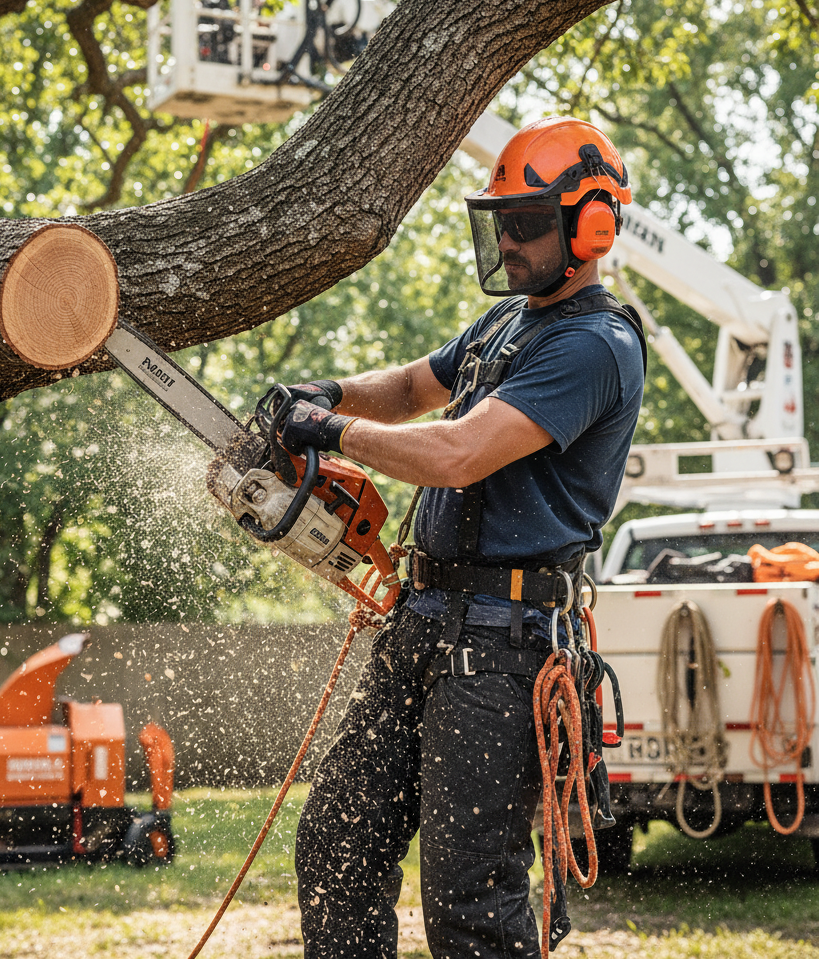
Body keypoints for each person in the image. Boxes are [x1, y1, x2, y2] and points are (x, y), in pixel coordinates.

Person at [272, 116, 647, 959]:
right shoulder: (506, 323)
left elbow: (457, 452)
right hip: (423, 623)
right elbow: (413, 388)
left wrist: (329, 433)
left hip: (502, 649)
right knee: (336, 841)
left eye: (526, 223)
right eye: (500, 222)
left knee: (468, 897)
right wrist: (328, 393)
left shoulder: (596, 344)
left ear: (591, 226)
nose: (508, 242)